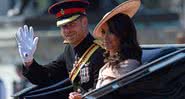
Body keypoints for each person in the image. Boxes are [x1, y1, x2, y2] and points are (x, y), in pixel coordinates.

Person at [15, 0, 105, 98]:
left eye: (72, 24)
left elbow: (103, 91)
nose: (67, 31)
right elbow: (46, 76)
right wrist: (29, 62)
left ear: (84, 22)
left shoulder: (100, 51)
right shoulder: (69, 51)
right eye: (63, 26)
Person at [69, 0, 142, 98]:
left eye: (111, 32)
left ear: (122, 34)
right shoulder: (106, 66)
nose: (105, 37)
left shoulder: (130, 65)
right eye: (103, 32)